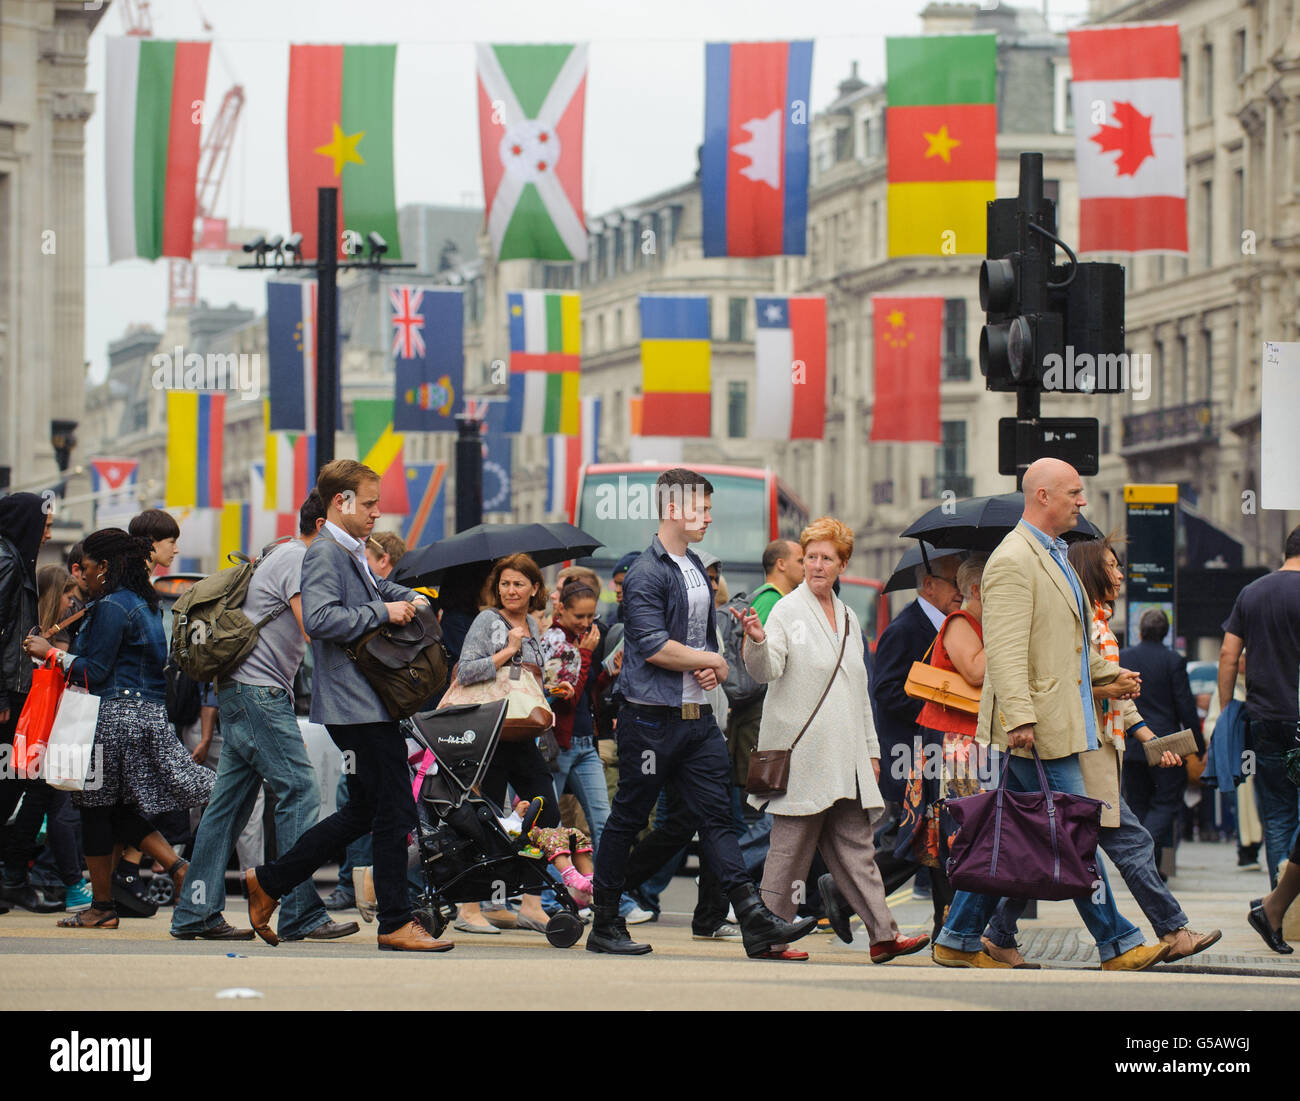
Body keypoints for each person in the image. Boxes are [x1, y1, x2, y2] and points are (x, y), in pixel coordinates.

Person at [931, 458, 1170, 971]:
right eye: (1074, 493)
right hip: (1036, 728)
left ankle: (958, 935)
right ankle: (1120, 942)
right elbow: (1007, 648)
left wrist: (1112, 676)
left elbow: (1074, 644)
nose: (1082, 502)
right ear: (1042, 495)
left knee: (1014, 831)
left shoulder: (1057, 554)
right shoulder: (1014, 559)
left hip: (1060, 723)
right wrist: (1019, 717)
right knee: (1074, 831)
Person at [586, 466, 817, 958]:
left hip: (696, 721)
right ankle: (604, 922)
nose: (709, 517)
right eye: (702, 508)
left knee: (717, 820)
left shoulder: (694, 565)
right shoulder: (648, 572)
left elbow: (694, 640)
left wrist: (706, 668)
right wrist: (709, 660)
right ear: (673, 509)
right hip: (649, 721)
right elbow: (648, 644)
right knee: (629, 816)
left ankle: (752, 920)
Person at [242, 460, 453, 952]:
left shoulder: (350, 551)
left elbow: (377, 589)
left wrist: (413, 598)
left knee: (364, 810)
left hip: (366, 704)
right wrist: (384, 612)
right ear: (342, 502)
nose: (378, 512)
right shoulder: (324, 554)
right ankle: (396, 922)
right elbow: (318, 620)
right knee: (396, 811)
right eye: (371, 502)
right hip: (357, 707)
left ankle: (269, 882)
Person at [984, 537, 1221, 966]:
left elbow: (1111, 696)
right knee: (1122, 843)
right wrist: (1106, 687)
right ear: (1092, 569)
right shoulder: (1086, 624)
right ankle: (1158, 933)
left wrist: (1148, 737)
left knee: (1042, 848)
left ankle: (988, 933)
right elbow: (1061, 680)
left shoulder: (1098, 621)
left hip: (1098, 748)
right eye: (1111, 566)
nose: (1119, 574)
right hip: (1080, 751)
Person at [739, 516, 929, 963]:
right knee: (788, 853)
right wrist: (757, 642)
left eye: (826, 558)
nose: (816, 566)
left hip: (846, 759)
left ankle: (883, 936)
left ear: (842, 564)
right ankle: (769, 938)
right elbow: (768, 670)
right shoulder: (787, 609)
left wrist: (870, 750)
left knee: (858, 850)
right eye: (810, 558)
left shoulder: (846, 615)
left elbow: (857, 690)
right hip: (803, 758)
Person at [171, 491, 358, 943]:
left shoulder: (285, 553)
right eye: (350, 520)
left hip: (241, 691)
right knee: (299, 788)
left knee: (227, 808)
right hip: (258, 694)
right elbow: (314, 626)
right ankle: (298, 910)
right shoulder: (299, 558)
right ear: (322, 524)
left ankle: (195, 912)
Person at [22, 529, 215, 929]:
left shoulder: (110, 607)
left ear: (106, 567)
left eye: (88, 568)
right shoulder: (142, 604)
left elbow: (95, 671)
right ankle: (178, 869)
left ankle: (103, 906)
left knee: (94, 811)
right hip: (143, 717)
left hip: (110, 720)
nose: (82, 577)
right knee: (118, 810)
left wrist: (52, 654)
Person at [449, 552, 559, 934]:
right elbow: (464, 672)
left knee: (546, 811)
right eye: (505, 584)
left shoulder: (531, 622)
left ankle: (530, 903)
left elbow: (527, 679)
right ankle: (468, 908)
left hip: (520, 733)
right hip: (488, 733)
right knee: (484, 818)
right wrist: (509, 651)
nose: (510, 590)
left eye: (518, 584)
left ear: (534, 589)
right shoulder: (487, 621)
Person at [870, 550, 965, 914]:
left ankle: (949, 931)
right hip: (910, 753)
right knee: (919, 839)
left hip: (937, 753)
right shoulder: (905, 628)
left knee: (932, 839)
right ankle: (843, 892)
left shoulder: (947, 625)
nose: (961, 590)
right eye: (954, 582)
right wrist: (938, 708)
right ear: (928, 585)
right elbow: (886, 691)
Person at [1218, 525, 1300, 888]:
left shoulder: (1251, 593)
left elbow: (1228, 655)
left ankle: (1277, 908)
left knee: (1277, 814)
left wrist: (1226, 713)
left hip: (1264, 719)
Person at [0, 493, 63, 914]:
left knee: (18, 784)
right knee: (14, 784)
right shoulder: (7, 563)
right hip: (8, 696)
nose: (49, 533)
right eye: (44, 524)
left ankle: (11, 877)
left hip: (16, 692)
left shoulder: (14, 559)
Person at [1118, 607, 1203, 869]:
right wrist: (1197, 746)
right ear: (1165, 634)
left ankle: (1144, 863)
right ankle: (1147, 852)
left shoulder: (1124, 656)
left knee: (1138, 802)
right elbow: (1185, 707)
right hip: (1167, 747)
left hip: (1133, 742)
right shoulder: (1173, 660)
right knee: (1166, 802)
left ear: (1140, 631)